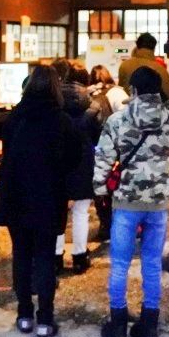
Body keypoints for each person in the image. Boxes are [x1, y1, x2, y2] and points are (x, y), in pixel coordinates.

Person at [93, 68, 169, 337]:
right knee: (152, 263)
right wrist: (166, 103)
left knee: (120, 263)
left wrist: (100, 188)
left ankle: (118, 324)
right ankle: (149, 325)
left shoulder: (118, 120)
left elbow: (103, 157)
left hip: (126, 202)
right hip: (157, 202)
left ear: (133, 90)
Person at [0, 64, 81, 337]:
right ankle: (45, 319)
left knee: (20, 255)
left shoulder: (14, 118)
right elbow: (73, 160)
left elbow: (7, 155)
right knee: (44, 257)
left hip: (15, 196)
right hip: (47, 198)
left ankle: (23, 315)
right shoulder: (62, 121)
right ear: (55, 87)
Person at [56, 61, 99, 276]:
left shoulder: (54, 102)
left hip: (58, 161)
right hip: (83, 161)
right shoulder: (93, 106)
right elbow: (97, 138)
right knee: (82, 211)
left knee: (58, 210)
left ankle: (56, 257)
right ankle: (80, 257)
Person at [85, 65, 128, 241]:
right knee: (117, 184)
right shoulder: (117, 93)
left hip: (93, 147)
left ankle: (105, 224)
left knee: (100, 188)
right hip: (115, 147)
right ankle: (122, 225)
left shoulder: (87, 94)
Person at [115, 33, 169, 101]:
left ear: (137, 46)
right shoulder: (161, 69)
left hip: (130, 109)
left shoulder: (125, 66)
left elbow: (120, 92)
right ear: (154, 48)